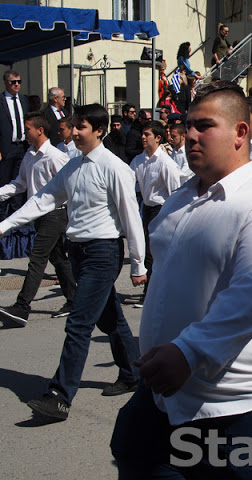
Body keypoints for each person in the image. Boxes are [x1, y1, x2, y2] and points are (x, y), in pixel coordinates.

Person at [110, 80, 252, 479]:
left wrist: (188, 352)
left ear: (241, 132)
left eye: (205, 126)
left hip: (243, 406)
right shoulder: (182, 199)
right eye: (188, 125)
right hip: (166, 395)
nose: (190, 136)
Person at [0, 103, 146, 420]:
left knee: (78, 324)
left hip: (103, 253)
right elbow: (44, 199)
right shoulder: (73, 165)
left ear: (99, 131)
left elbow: (131, 217)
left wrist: (138, 264)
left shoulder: (114, 167)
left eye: (82, 127)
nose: (75, 132)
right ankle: (133, 374)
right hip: (79, 251)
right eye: (74, 126)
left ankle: (60, 397)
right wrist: (4, 225)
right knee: (111, 321)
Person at [0, 112, 75, 326]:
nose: (24, 134)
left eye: (27, 130)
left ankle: (22, 307)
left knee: (37, 258)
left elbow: (69, 187)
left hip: (54, 213)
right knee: (58, 258)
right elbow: (19, 184)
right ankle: (74, 299)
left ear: (40, 130)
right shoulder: (29, 155)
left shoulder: (55, 156)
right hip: (38, 214)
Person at [129, 121, 181, 309]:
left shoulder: (166, 163)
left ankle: (151, 292)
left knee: (154, 253)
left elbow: (175, 192)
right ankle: (154, 290)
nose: (143, 137)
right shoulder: (138, 160)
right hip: (147, 208)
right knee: (149, 251)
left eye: (147, 134)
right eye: (143, 134)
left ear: (158, 138)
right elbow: (129, 181)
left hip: (162, 209)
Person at [0, 70, 29, 195]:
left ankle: (16, 210)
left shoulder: (23, 100)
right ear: (6, 83)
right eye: (13, 82)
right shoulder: (1, 100)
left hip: (22, 146)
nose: (17, 84)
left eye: (19, 82)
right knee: (4, 181)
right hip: (6, 147)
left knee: (20, 181)